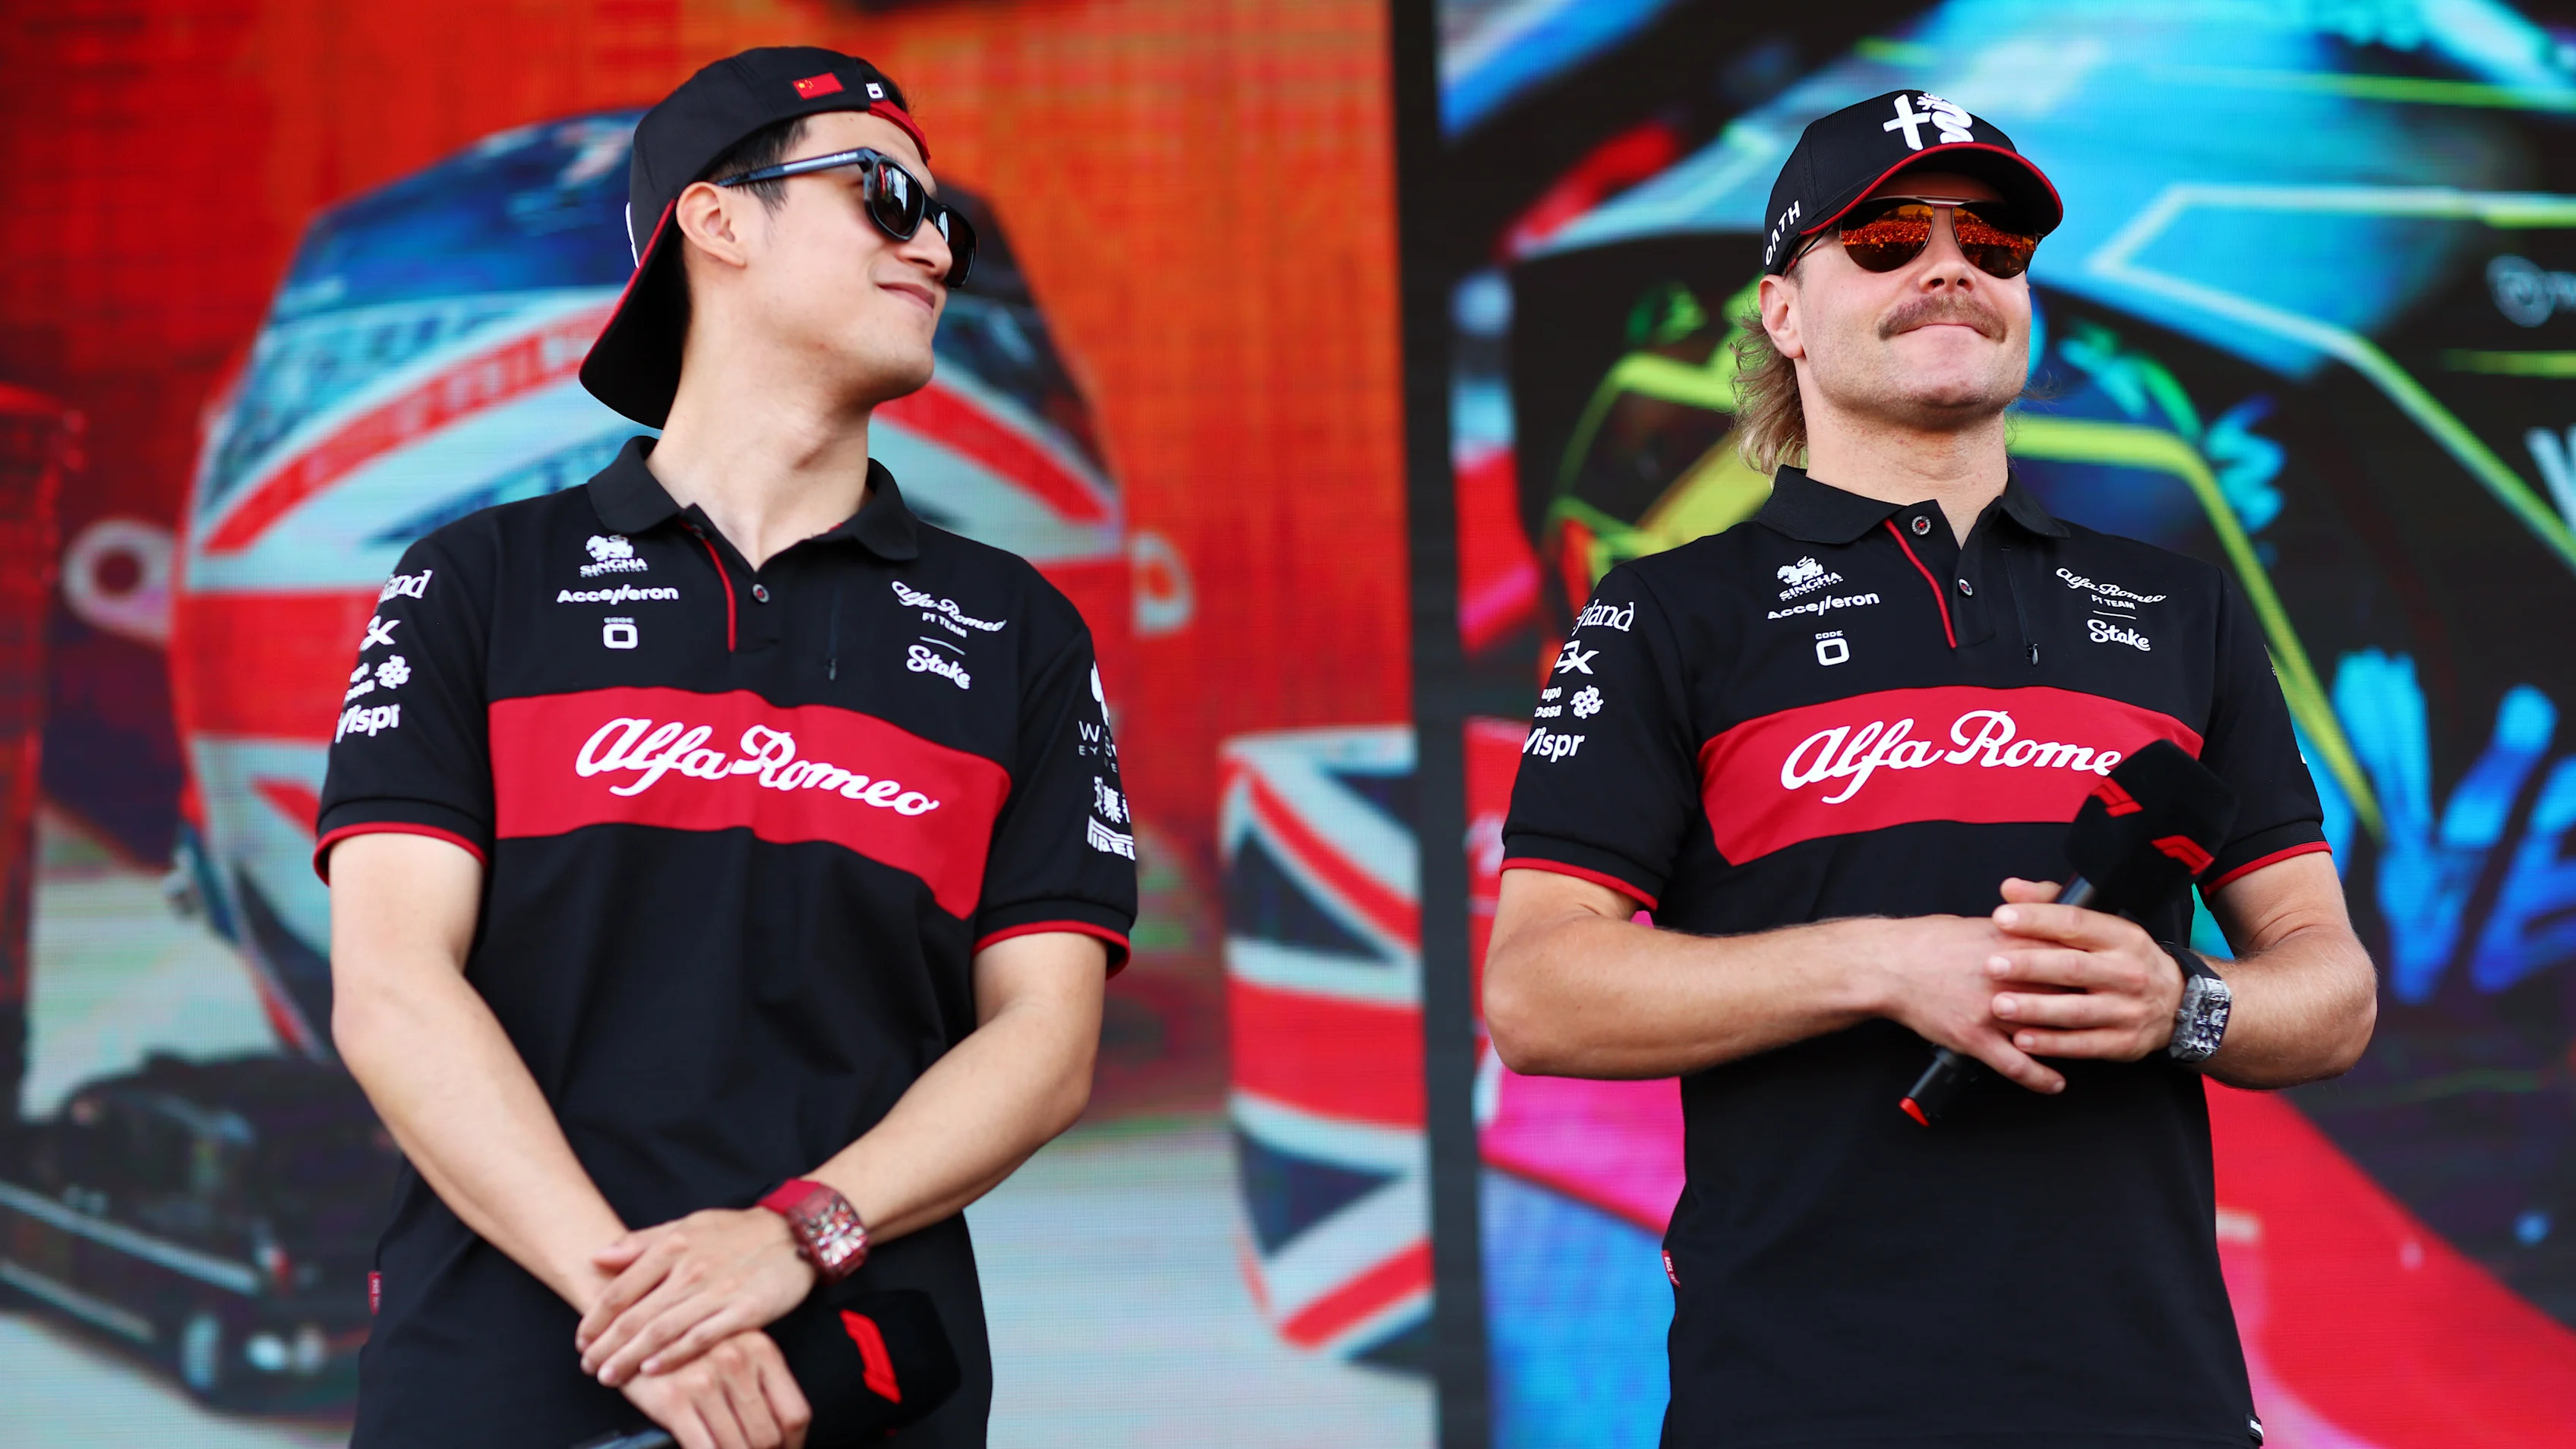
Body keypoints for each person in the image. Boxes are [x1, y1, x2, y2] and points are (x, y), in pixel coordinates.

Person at [1484, 91, 2376, 1449]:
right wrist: (1891, 966)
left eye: (1995, 243)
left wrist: (2180, 1005)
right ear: (1783, 311)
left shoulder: (2183, 610)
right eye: (1888, 239)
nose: (1950, 266)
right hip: (1796, 1400)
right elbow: (1541, 994)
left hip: (2150, 1401)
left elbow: (2331, 989)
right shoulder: (1666, 613)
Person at [320, 47, 1136, 1449]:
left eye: (955, 221)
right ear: (719, 221)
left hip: (862, 1374)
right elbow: (393, 989)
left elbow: (1048, 1041)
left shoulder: (1018, 629)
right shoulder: (475, 582)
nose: (937, 245)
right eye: (889, 197)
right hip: (505, 1367)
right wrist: (638, 1307)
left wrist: (794, 1239)